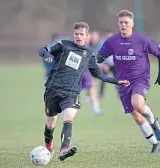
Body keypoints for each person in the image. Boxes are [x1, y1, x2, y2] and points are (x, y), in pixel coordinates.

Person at [38, 22, 129, 161]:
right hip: (53, 90)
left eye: (82, 34)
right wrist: (46, 54)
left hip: (71, 92)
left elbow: (99, 74)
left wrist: (117, 81)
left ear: (87, 36)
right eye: (76, 34)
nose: (79, 36)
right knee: (51, 124)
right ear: (73, 35)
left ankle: (64, 149)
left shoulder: (89, 54)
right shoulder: (63, 45)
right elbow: (43, 50)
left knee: (68, 117)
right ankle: (48, 146)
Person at [97, 10, 160, 154]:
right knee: (135, 115)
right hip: (122, 82)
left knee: (138, 104)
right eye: (121, 22)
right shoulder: (112, 41)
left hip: (140, 79)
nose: (123, 25)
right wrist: (91, 62)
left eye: (126, 22)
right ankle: (154, 144)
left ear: (132, 24)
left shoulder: (142, 40)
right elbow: (100, 57)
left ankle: (154, 123)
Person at [98, 29, 116, 99]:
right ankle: (101, 94)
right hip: (106, 65)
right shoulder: (102, 44)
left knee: (117, 80)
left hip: (114, 65)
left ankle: (120, 93)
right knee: (103, 80)